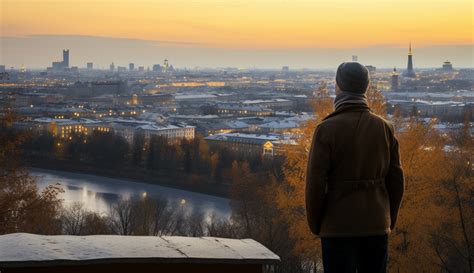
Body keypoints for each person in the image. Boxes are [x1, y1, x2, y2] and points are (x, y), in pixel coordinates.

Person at [305, 62, 405, 273]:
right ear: (366, 87)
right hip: (377, 225)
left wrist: (316, 224)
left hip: (337, 228)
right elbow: (396, 181)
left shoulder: (326, 129)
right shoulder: (385, 128)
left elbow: (314, 185)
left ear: (338, 87)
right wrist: (388, 219)